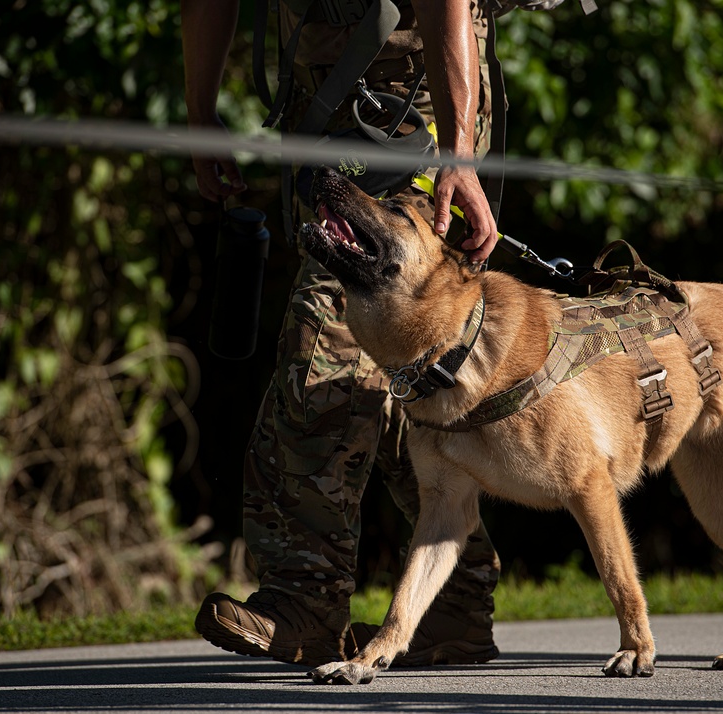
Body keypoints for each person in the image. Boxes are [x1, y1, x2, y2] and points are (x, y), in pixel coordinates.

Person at [180, 0, 504, 667]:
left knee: (329, 336)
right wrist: (200, 117)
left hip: (420, 105)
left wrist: (459, 149)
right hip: (323, 108)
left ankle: (305, 601)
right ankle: (453, 601)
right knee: (387, 366)